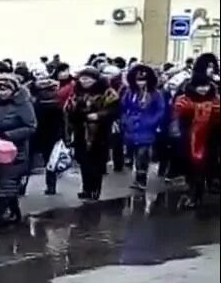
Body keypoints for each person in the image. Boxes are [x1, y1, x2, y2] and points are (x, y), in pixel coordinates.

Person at [0, 73, 37, 228]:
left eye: (5, 89)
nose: (1, 92)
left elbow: (31, 127)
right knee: (0, 181)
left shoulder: (23, 104)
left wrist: (9, 135)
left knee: (8, 182)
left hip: (15, 150)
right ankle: (14, 211)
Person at [64, 67, 120, 200]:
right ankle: (86, 188)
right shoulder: (76, 92)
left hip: (100, 133)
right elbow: (68, 109)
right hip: (80, 131)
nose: (84, 81)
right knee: (84, 162)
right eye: (82, 78)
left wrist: (99, 115)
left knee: (97, 163)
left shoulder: (108, 93)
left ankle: (95, 189)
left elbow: (114, 110)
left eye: (88, 78)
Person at [172, 68, 220, 208]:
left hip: (209, 141)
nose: (203, 89)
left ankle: (196, 196)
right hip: (188, 141)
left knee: (201, 169)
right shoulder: (183, 101)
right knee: (191, 169)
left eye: (206, 86)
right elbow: (178, 119)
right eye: (200, 86)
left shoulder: (215, 101)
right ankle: (193, 192)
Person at [120, 64, 166, 190]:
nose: (140, 83)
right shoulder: (130, 93)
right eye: (138, 80)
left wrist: (152, 122)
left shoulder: (155, 94)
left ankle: (142, 179)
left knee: (142, 154)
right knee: (134, 154)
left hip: (146, 129)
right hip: (132, 128)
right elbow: (123, 108)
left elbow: (161, 111)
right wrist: (125, 121)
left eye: (143, 80)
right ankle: (138, 179)